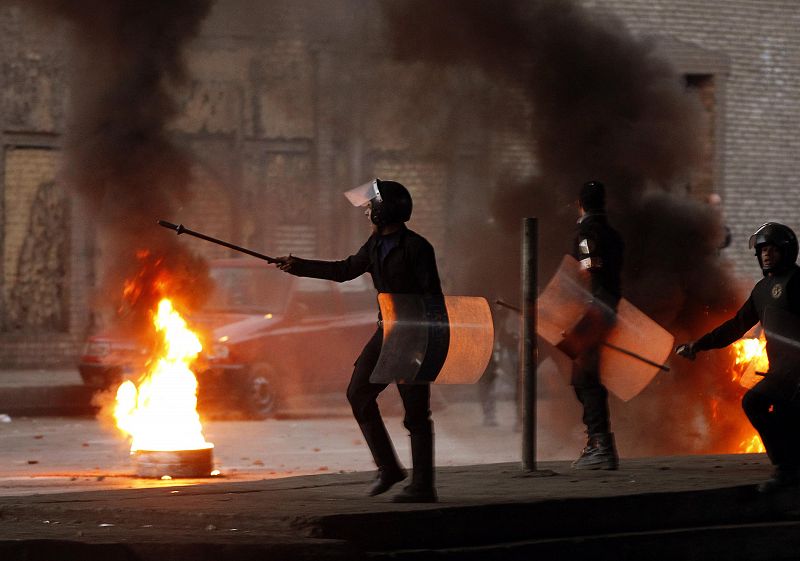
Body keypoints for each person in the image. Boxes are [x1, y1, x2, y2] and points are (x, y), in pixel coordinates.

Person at [275, 178, 440, 503]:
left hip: (413, 333)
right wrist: (299, 266)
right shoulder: (375, 245)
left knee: (415, 410)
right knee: (359, 393)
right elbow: (344, 270)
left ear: (384, 210)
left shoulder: (418, 248)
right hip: (388, 330)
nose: (366, 211)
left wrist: (429, 342)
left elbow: (433, 297)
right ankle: (389, 469)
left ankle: (423, 486)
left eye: (370, 205)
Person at [676, 222, 800, 493]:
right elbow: (736, 326)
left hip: (796, 372)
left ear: (787, 251)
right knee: (778, 416)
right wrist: (699, 345)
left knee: (757, 402)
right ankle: (789, 471)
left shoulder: (798, 282)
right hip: (782, 372)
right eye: (762, 250)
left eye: (772, 249)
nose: (766, 254)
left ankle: (787, 470)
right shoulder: (761, 290)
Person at [565, 180, 624, 470]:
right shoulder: (613, 233)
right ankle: (599, 442)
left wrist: (583, 270)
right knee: (583, 373)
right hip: (608, 307)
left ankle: (600, 446)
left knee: (584, 376)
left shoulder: (586, 233)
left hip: (596, 309)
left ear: (581, 203)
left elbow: (589, 264)